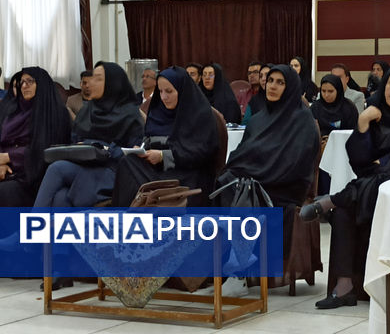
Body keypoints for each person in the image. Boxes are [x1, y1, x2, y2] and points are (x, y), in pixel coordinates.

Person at [301, 65, 390, 309]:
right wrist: (363, 122)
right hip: (374, 187)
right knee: (346, 209)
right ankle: (344, 287)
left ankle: (333, 199)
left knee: (374, 185)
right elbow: (360, 164)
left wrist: (381, 167)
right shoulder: (375, 115)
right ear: (384, 85)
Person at [217, 64, 320, 258]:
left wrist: (254, 175)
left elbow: (295, 163)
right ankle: (224, 258)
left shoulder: (302, 120)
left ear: (291, 87)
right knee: (224, 183)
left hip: (284, 185)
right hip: (254, 181)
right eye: (271, 80)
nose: (272, 86)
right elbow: (240, 155)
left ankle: (239, 260)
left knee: (245, 196)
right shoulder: (258, 120)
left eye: (280, 82)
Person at [33, 62, 144, 208]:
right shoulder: (88, 110)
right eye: (92, 78)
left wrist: (102, 149)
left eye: (98, 79)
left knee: (57, 171)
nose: (92, 83)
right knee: (60, 197)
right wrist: (83, 147)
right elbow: (74, 139)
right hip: (84, 165)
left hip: (112, 171)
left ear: (113, 82)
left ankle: (32, 226)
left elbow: (133, 153)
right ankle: (45, 228)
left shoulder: (130, 114)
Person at [112, 66, 219, 207]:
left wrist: (163, 156)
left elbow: (201, 152)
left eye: (169, 91)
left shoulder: (199, 114)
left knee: (192, 177)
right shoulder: (158, 112)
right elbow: (150, 138)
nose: (163, 97)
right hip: (158, 172)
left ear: (181, 90)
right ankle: (128, 214)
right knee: (128, 163)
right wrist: (143, 150)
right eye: (160, 91)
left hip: (186, 173)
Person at [0, 67, 71, 206]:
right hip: (8, 169)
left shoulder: (54, 112)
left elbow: (46, 148)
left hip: (34, 176)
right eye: (21, 82)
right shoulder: (15, 110)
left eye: (30, 81)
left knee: (4, 191)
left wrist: (8, 157)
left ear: (42, 84)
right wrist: (2, 163)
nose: (24, 86)